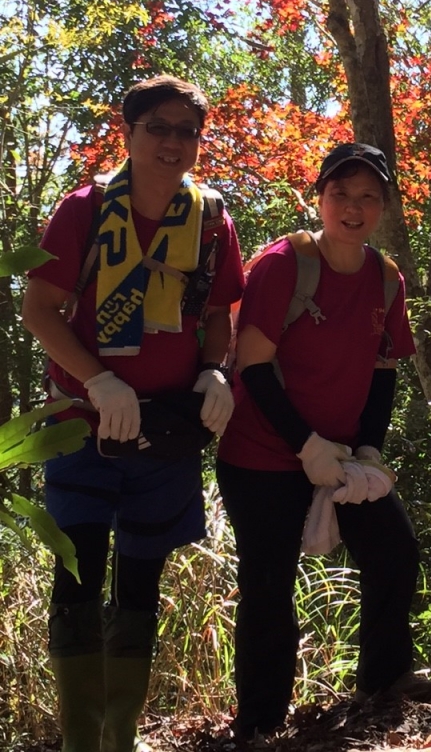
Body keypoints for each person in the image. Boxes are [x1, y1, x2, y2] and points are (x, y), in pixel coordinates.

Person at [22, 75, 245, 752]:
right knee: (79, 569)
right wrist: (97, 381)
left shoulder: (210, 219)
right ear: (130, 132)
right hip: (81, 424)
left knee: (143, 574)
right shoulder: (85, 208)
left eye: (187, 131)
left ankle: (121, 736)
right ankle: (80, 740)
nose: (173, 142)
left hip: (165, 430)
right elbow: (40, 308)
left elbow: (217, 316)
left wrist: (214, 370)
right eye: (159, 127)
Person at [216, 141, 431, 743]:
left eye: (368, 196)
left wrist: (367, 449)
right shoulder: (283, 265)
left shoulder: (385, 278)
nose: (352, 206)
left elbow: (384, 369)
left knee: (394, 550)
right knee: (269, 582)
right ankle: (261, 722)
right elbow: (254, 368)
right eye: (340, 192)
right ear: (320, 197)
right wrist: (305, 445)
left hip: (340, 456)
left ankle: (384, 677)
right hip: (261, 455)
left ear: (385, 208)